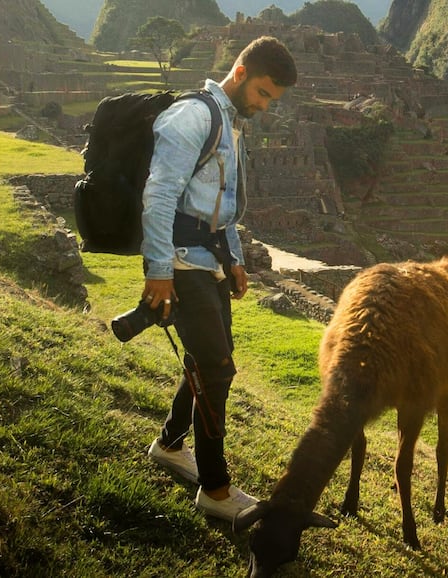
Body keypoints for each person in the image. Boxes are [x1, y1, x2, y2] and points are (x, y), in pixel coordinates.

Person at [141, 36, 297, 522]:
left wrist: (233, 259)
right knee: (218, 370)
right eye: (264, 93)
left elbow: (222, 208)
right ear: (240, 71)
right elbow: (160, 198)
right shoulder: (193, 118)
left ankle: (169, 444)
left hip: (208, 265)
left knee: (206, 359)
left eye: (272, 99)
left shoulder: (231, 125)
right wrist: (159, 273)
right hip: (182, 265)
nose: (265, 105)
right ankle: (216, 488)